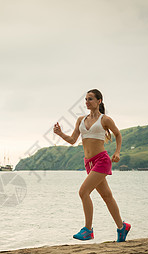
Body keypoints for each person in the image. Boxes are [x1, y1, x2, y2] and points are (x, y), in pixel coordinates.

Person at [53, 89, 131, 242]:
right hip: (89, 163)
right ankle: (122, 227)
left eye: (90, 99)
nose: (87, 102)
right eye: (86, 99)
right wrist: (60, 133)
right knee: (107, 196)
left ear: (99, 101)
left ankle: (88, 230)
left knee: (83, 192)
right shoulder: (81, 120)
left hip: (102, 160)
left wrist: (117, 152)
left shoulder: (105, 119)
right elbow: (73, 140)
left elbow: (118, 134)